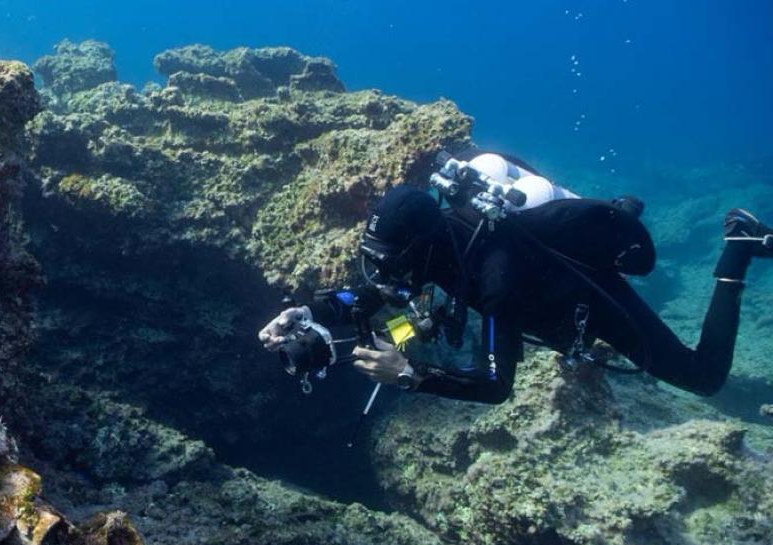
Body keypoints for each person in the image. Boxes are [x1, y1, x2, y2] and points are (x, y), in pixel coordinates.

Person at [258, 155, 771, 404]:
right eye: (378, 259)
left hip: (583, 295)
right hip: (537, 279)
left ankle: (738, 250)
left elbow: (496, 384)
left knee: (702, 377)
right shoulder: (437, 244)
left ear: (418, 248)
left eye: (390, 261)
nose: (383, 272)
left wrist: (412, 375)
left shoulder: (496, 277)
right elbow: (372, 294)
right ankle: (620, 209)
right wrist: (307, 313)